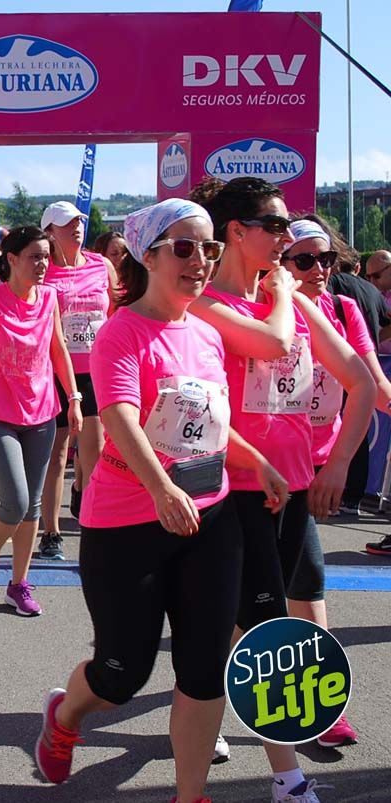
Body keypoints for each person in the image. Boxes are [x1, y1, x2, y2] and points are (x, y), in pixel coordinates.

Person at [35, 199, 287, 803]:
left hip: (210, 516)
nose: (199, 261)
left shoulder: (204, 333)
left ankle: (189, 794)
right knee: (122, 673)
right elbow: (119, 414)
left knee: (204, 669)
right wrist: (160, 486)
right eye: (183, 248)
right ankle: (67, 715)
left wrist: (258, 463)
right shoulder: (121, 331)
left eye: (208, 249)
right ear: (148, 257)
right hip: (126, 523)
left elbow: (209, 424)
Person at [189, 176, 373, 803]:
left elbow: (361, 383)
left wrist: (338, 465)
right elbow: (271, 342)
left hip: (295, 489)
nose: (286, 239)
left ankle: (203, 710)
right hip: (232, 490)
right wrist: (288, 294)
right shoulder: (207, 305)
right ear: (236, 233)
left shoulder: (291, 301)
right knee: (269, 631)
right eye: (275, 227)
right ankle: (288, 777)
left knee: (243, 626)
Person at [280, 218, 391, 747]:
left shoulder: (343, 310)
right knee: (239, 603)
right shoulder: (255, 312)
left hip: (308, 473)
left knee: (306, 589)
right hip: (250, 474)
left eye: (326, 259)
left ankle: (323, 707)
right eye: (304, 260)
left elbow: (374, 387)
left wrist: (339, 463)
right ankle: (201, 704)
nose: (319, 270)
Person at [0, 226, 79, 616]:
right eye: (34, 256)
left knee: (32, 511)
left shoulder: (50, 298)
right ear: (11, 260)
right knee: (17, 501)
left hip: (42, 414)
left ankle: (19, 584)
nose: (43, 264)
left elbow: (58, 349)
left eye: (46, 256)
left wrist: (73, 397)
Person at [38, 201, 118, 561]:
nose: (75, 228)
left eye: (78, 222)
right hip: (54, 371)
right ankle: (50, 532)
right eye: (66, 224)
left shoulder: (101, 265)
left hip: (95, 370)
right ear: (49, 233)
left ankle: (91, 516)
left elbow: (117, 309)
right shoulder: (44, 272)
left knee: (95, 451)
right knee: (55, 455)